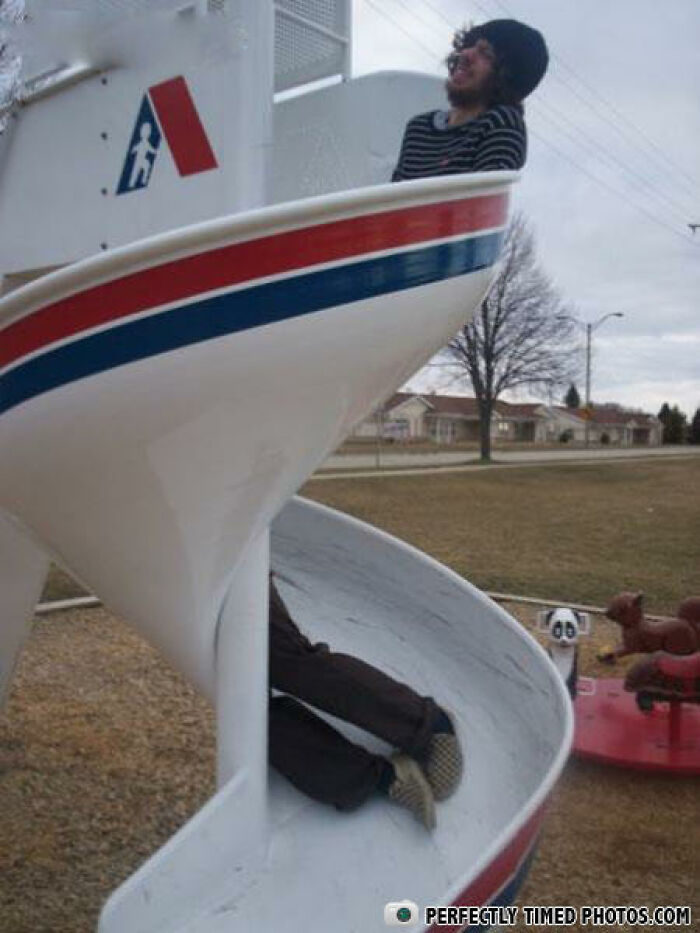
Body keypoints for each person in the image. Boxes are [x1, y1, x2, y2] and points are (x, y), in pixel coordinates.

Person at [268, 574, 461, 829]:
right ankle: (377, 776)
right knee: (244, 706)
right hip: (195, 596)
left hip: (226, 561)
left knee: (286, 659)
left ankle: (426, 724)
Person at [392, 19, 549, 181]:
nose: (466, 54)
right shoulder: (419, 127)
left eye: (485, 53)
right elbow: (393, 201)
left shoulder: (500, 121)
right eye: (470, 45)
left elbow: (484, 201)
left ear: (506, 76)